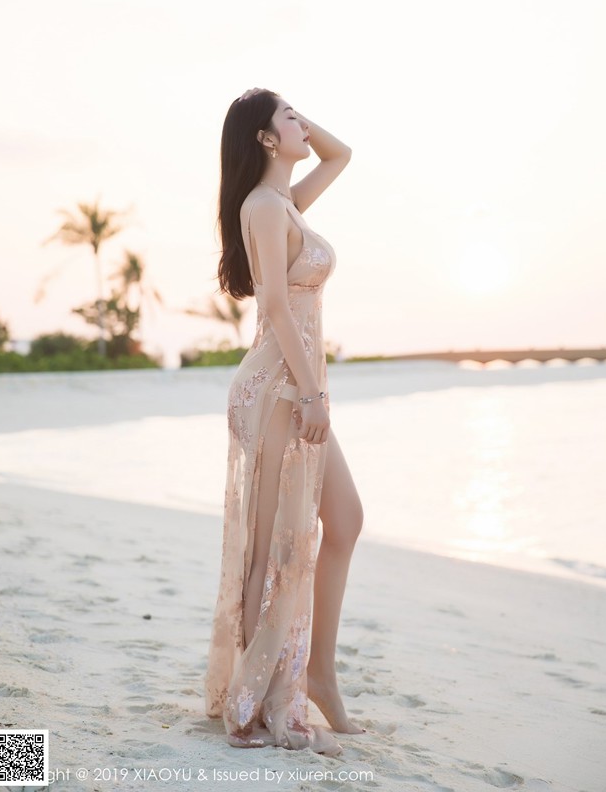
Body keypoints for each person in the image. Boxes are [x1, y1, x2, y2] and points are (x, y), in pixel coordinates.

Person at [204, 88, 365, 756]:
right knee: (270, 543)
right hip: (277, 390)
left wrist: (287, 120)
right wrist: (310, 395)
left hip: (295, 387)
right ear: (266, 139)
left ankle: (319, 673)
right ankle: (247, 696)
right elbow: (273, 304)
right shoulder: (265, 208)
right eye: (290, 117)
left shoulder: (287, 203)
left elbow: (343, 154)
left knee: (345, 521)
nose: (303, 123)